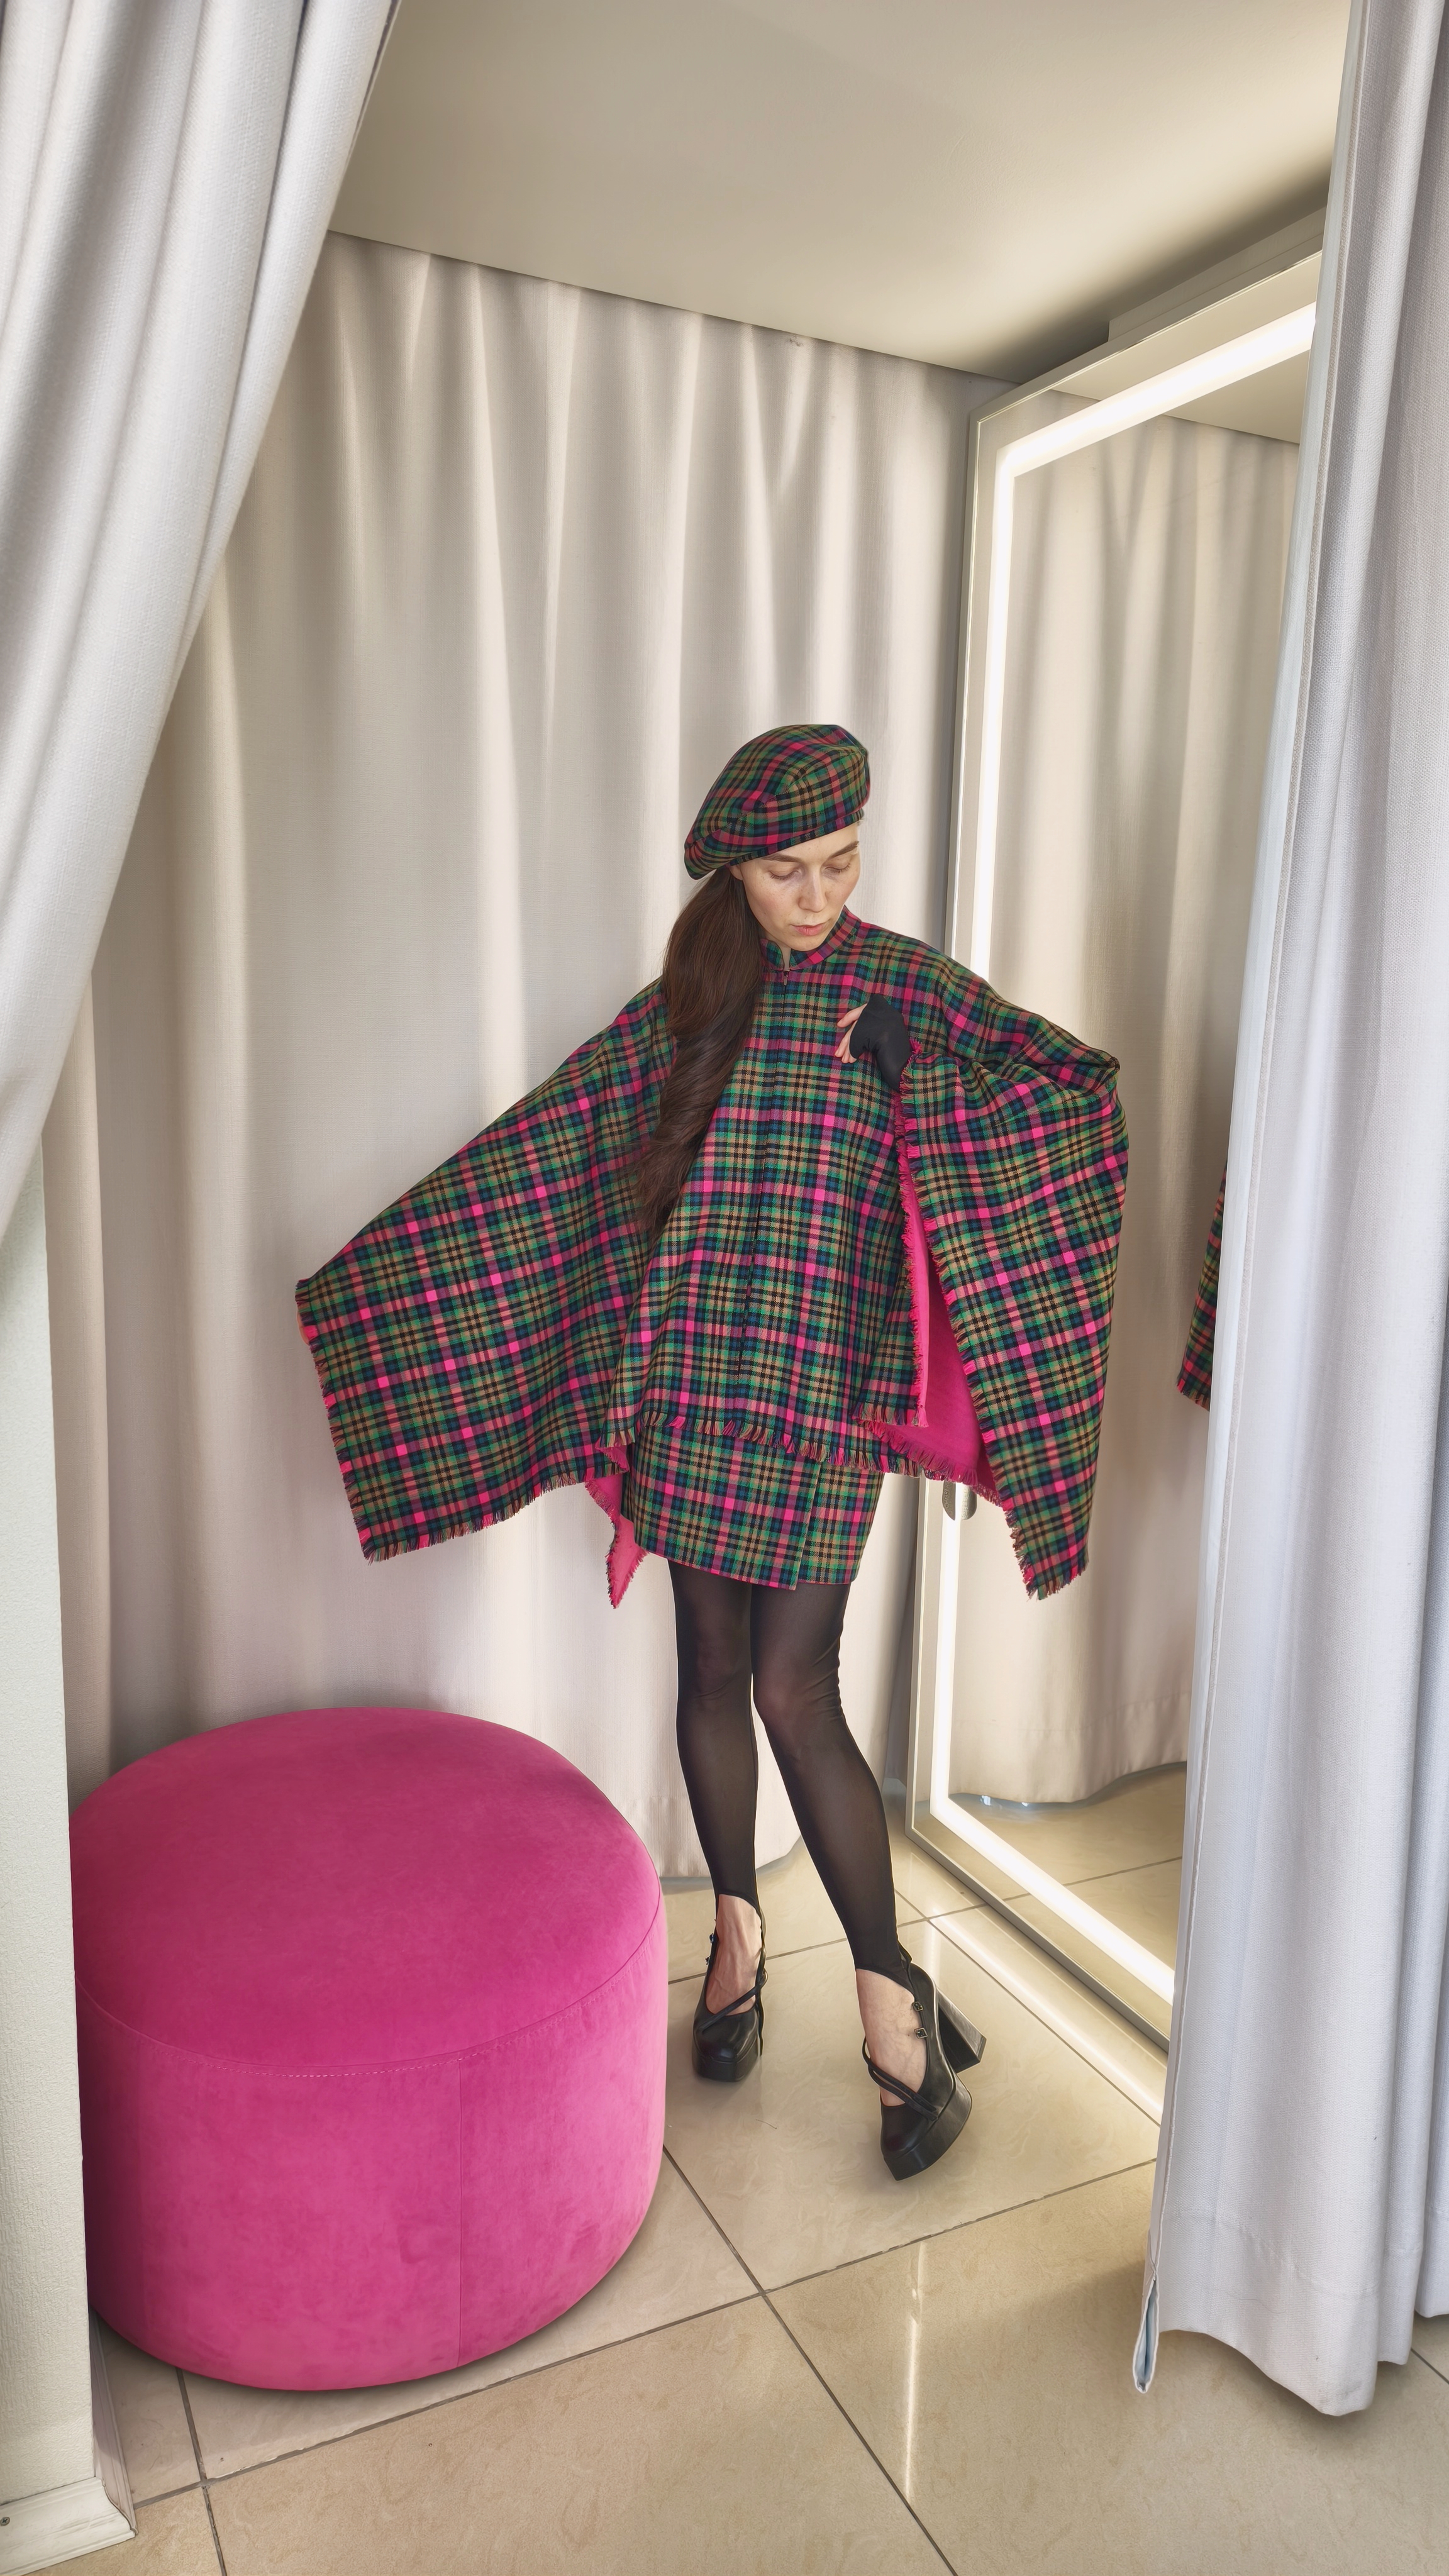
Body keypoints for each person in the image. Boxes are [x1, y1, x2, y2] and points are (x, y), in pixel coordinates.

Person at [297, 723, 1127, 2180]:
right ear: (733, 870)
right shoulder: (694, 1000)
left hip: (823, 1405)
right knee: (708, 1673)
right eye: (786, 869)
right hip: (694, 1393)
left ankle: (889, 2003)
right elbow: (550, 1152)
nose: (818, 895)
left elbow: (1081, 1099)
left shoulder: (908, 988)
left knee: (798, 1692)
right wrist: (388, 1289)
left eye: (841, 862)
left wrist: (932, 1086)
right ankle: (737, 1938)